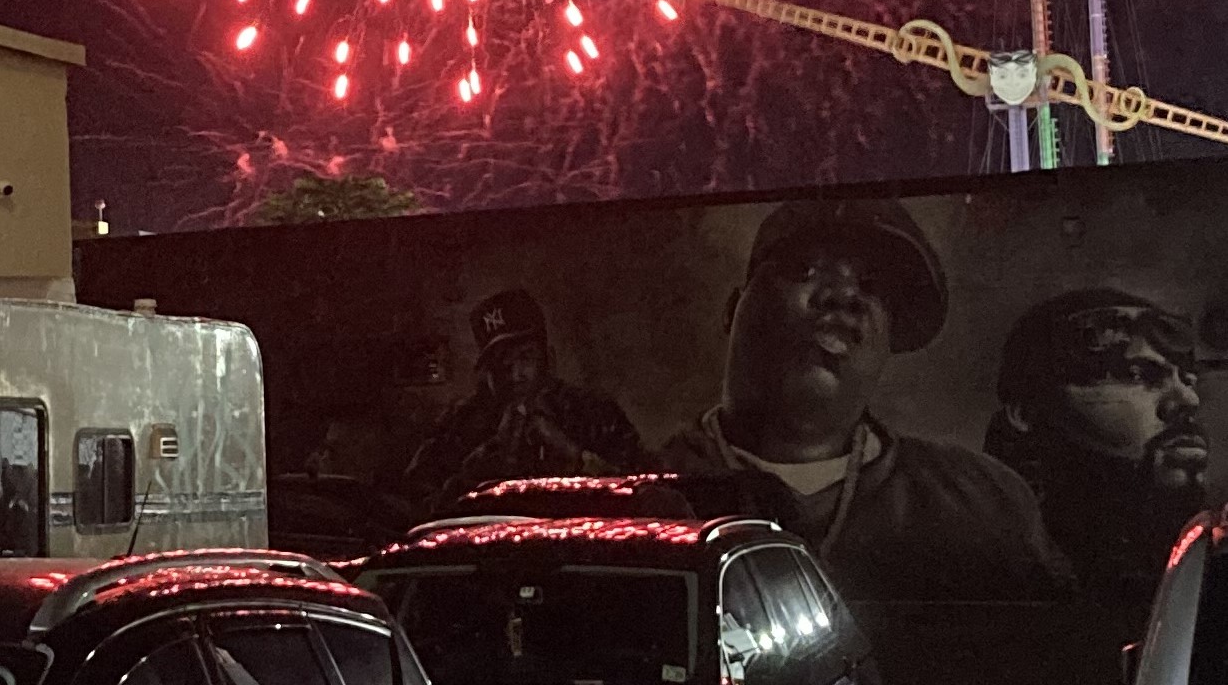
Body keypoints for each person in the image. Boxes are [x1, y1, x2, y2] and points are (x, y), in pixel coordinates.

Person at [656, 198, 1070, 603]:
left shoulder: (985, 502)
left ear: (888, 340)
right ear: (734, 308)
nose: (844, 297)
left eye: (872, 288)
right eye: (806, 270)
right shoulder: (635, 498)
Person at [982, 289, 1209, 603]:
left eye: (1187, 379)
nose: (1187, 401)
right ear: (1028, 411)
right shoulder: (986, 559)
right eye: (1137, 374)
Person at [404, 289, 644, 517]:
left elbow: (643, 492)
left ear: (548, 359)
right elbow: (414, 504)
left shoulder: (593, 412)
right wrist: (474, 473)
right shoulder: (460, 422)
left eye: (525, 357)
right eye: (501, 364)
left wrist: (574, 456)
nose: (513, 374)